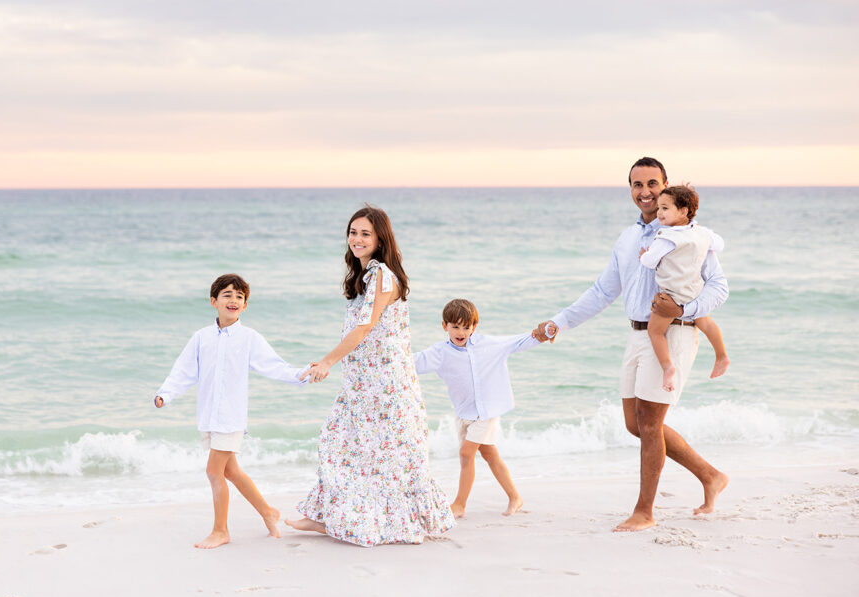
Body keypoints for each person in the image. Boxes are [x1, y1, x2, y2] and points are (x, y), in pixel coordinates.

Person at [532, 157, 730, 532]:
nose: (645, 192)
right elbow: (602, 291)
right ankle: (710, 475)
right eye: (637, 185)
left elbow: (719, 288)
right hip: (638, 333)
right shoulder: (627, 239)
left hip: (674, 333)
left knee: (651, 424)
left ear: (666, 185)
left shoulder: (691, 234)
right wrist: (559, 322)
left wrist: (685, 306)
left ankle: (645, 512)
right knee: (634, 424)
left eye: (653, 184)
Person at [285, 205, 455, 546]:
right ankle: (335, 518)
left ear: (380, 239)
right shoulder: (366, 276)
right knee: (351, 446)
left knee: (359, 448)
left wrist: (327, 361)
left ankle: (353, 521)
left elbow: (365, 328)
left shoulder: (381, 275)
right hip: (365, 382)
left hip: (385, 386)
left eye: (365, 233)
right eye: (353, 232)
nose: (357, 239)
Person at [154, 273, 306, 549]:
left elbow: (274, 365)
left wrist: (302, 375)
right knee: (231, 471)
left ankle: (221, 530)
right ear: (214, 301)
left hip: (231, 417)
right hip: (209, 416)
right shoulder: (201, 338)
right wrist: (166, 393)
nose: (233, 300)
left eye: (239, 296)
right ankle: (268, 511)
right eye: (227, 295)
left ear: (245, 305)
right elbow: (184, 371)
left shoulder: (249, 338)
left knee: (213, 471)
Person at [413, 298, 542, 518]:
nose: (461, 332)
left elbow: (517, 342)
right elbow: (411, 362)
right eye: (455, 326)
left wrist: (541, 334)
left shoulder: (487, 345)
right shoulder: (439, 353)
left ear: (474, 327)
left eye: (466, 326)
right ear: (445, 326)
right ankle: (515, 497)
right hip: (464, 413)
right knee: (490, 455)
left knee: (465, 454)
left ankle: (460, 505)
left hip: (487, 412)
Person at [639, 185, 730, 391]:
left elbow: (649, 262)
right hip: (694, 292)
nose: (659, 213)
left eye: (665, 208)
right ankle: (722, 355)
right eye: (659, 208)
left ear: (683, 211)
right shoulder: (701, 234)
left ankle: (667, 367)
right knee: (705, 323)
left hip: (670, 297)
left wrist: (643, 254)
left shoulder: (666, 238)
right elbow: (719, 244)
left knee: (655, 332)